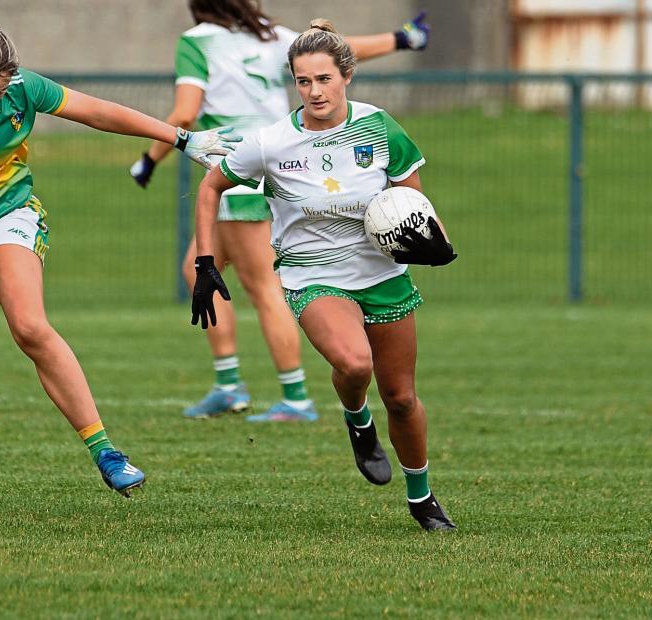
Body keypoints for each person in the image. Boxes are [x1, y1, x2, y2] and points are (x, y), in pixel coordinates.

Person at [0, 27, 240, 512]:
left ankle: (107, 453)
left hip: (6, 214)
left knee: (31, 326)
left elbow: (97, 111)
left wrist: (181, 138)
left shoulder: (21, 88)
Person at [190, 19, 458, 530]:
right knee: (356, 365)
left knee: (401, 397)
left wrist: (430, 242)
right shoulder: (271, 142)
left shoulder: (380, 129)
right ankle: (358, 418)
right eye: (303, 81)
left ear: (347, 76)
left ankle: (421, 499)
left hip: (382, 274)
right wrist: (206, 262)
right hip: (312, 274)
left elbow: (412, 202)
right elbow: (210, 186)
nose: (314, 91)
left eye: (324, 79)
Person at [129, 0, 431, 422]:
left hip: (248, 164)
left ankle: (292, 394)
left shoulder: (196, 42)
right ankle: (229, 382)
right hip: (283, 162)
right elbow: (341, 48)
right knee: (198, 268)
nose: (314, 86)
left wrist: (150, 157)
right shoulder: (269, 35)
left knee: (264, 286)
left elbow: (184, 111)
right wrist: (401, 39)